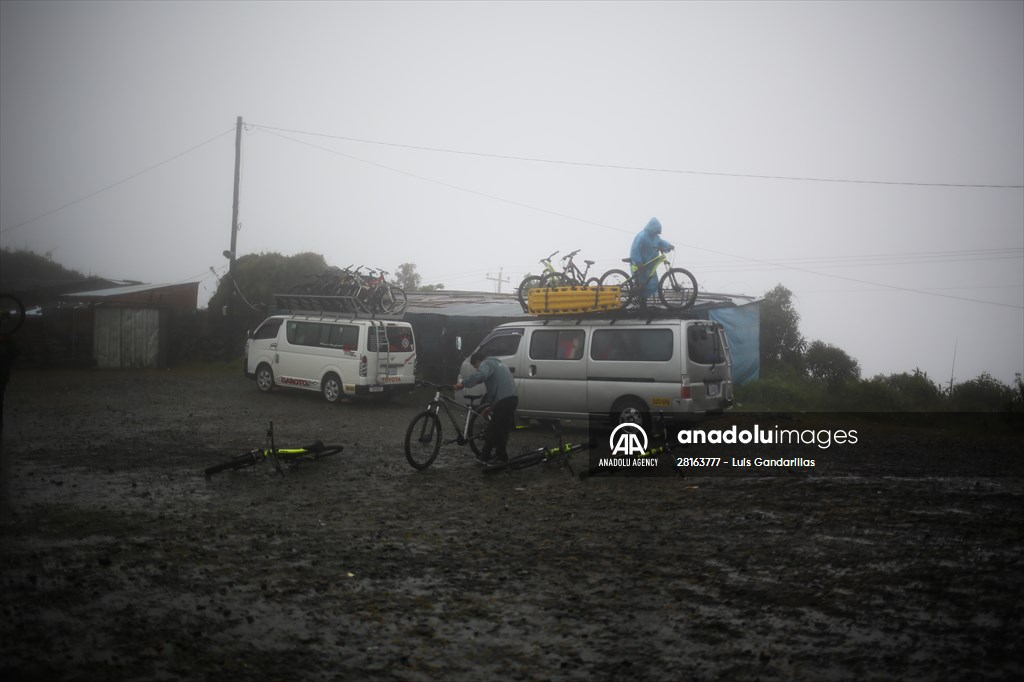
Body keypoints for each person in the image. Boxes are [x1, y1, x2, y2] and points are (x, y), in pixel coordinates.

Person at [454, 351, 518, 464]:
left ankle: (487, 457)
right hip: (512, 399)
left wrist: (463, 383)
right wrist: (492, 407)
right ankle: (500, 457)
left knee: (493, 430)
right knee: (502, 430)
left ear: (478, 361)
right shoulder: (498, 363)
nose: (477, 369)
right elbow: (497, 389)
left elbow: (481, 375)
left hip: (503, 400)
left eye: (476, 367)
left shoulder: (486, 363)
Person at [630, 217, 674, 307]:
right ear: (652, 229)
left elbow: (661, 242)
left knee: (651, 283)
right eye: (655, 231)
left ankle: (643, 300)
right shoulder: (642, 236)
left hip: (650, 266)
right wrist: (638, 262)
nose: (656, 233)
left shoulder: (656, 238)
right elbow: (635, 250)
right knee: (640, 283)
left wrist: (669, 246)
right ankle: (640, 299)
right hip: (640, 265)